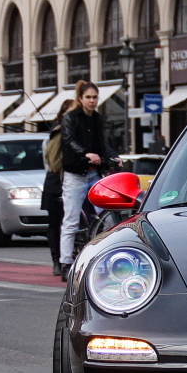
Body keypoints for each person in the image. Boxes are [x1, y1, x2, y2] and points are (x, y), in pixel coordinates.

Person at [58, 80, 118, 278]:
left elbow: (102, 143)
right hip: (75, 175)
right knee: (71, 221)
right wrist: (86, 154)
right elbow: (69, 141)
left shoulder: (97, 119)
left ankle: (104, 258)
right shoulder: (70, 118)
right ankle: (66, 263)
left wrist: (113, 156)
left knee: (107, 219)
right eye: (88, 97)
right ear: (80, 99)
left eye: (95, 97)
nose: (92, 101)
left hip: (94, 174)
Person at [41, 99, 74, 276]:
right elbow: (52, 162)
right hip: (56, 182)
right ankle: (57, 261)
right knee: (55, 223)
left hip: (73, 179)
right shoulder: (57, 133)